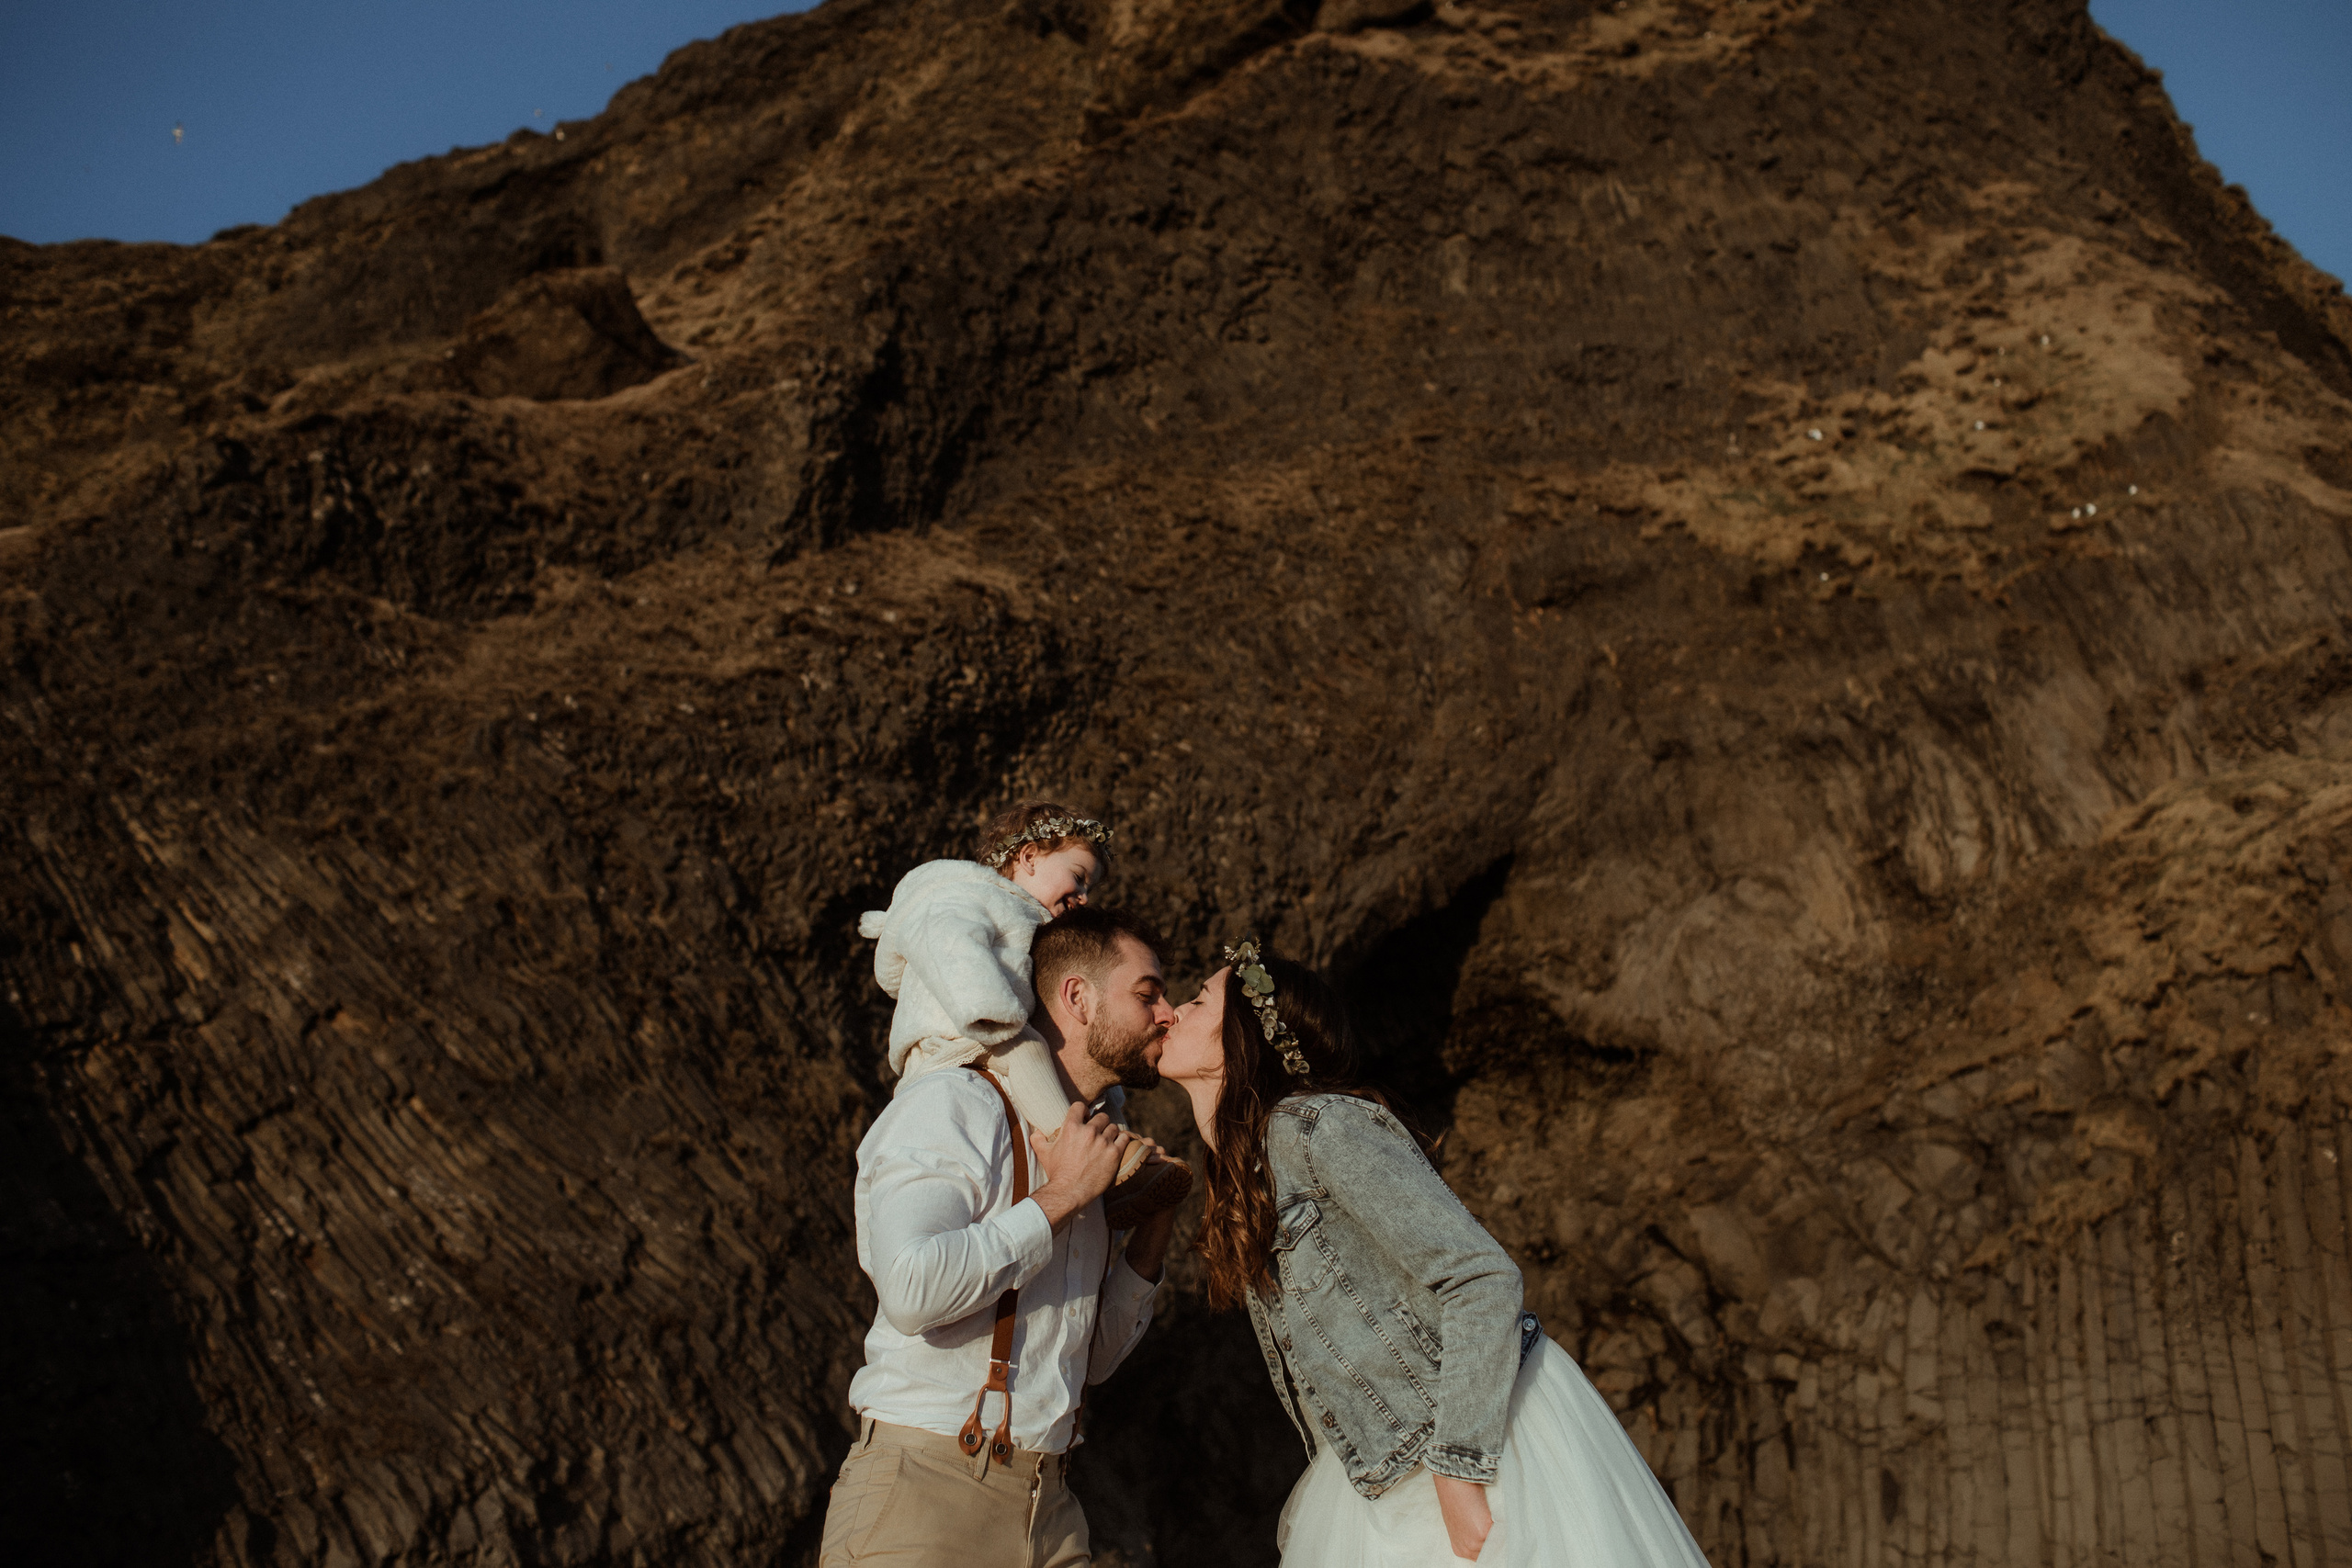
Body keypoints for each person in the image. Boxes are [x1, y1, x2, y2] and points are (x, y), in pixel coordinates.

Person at [1156, 941, 1716, 1568]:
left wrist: (1459, 1471)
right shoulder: (1250, 1172)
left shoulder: (1317, 1128)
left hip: (1468, 1444)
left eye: (1198, 998)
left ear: (1244, 1033)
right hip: (1381, 1476)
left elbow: (1482, 1277)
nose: (1173, 1010)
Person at [820, 905, 1182, 1567]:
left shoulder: (1092, 1145)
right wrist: (1062, 1196)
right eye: (1148, 994)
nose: (1168, 1013)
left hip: (1054, 1507)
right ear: (1077, 995)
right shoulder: (955, 1103)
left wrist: (1153, 1226)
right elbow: (909, 1287)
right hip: (924, 1495)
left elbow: (1088, 1362)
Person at [858, 801, 1191, 1226]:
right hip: (962, 1032)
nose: (1084, 896)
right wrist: (989, 1010)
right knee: (1030, 1050)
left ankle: (1120, 1160)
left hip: (993, 1030)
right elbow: (951, 946)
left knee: (1106, 1088)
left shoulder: (1028, 920)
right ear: (1029, 857)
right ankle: (1069, 1140)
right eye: (1078, 876)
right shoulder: (961, 895)